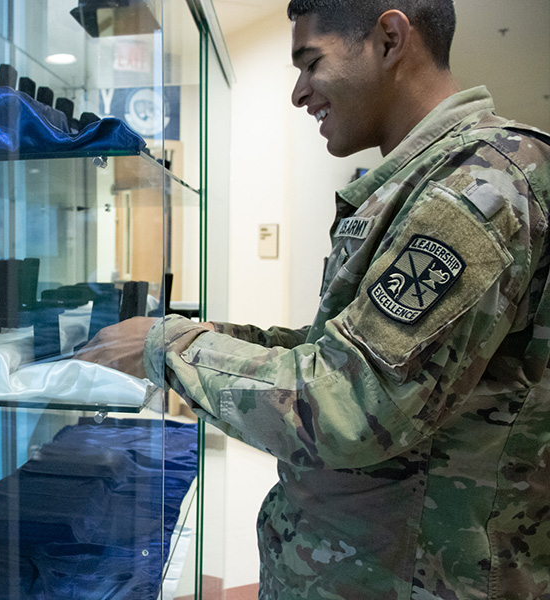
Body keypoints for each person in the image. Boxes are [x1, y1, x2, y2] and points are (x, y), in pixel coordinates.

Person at [78, 1, 550, 597]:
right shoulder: (425, 183)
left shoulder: (478, 188)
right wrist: (195, 335)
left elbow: (349, 402)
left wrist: (165, 347)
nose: (300, 94)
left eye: (311, 63)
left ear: (390, 38)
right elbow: (338, 352)